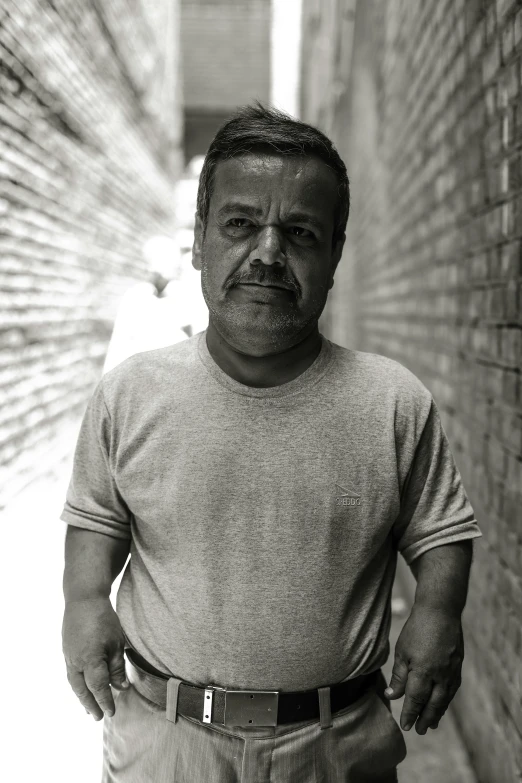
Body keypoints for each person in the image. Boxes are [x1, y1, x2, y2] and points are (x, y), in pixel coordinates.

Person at [61, 103, 483, 782]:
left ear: (335, 251)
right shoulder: (129, 394)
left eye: (300, 231)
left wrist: (439, 610)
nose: (267, 252)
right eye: (239, 223)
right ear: (199, 240)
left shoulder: (392, 401)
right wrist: (82, 601)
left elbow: (440, 528)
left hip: (336, 745)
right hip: (168, 745)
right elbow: (96, 518)